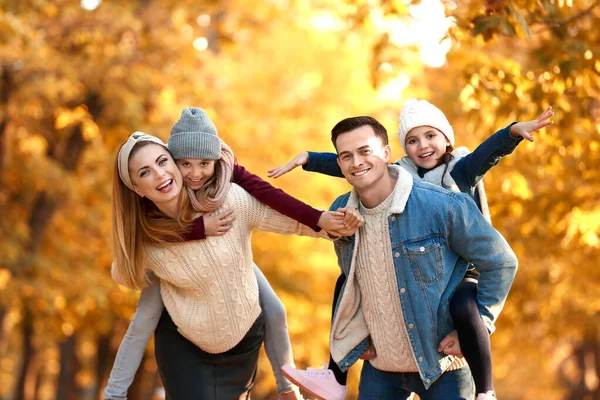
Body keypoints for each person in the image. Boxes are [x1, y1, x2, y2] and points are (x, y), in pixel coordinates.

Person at [272, 101, 552, 400]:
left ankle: (487, 391)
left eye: (431, 136)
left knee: (464, 305)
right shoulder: (344, 209)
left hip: (444, 365)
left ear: (385, 154)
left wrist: (512, 133)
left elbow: (500, 258)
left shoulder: (453, 186)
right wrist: (307, 160)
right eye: (413, 140)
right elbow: (336, 185)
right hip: (380, 370)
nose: (423, 146)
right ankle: (334, 374)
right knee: (344, 282)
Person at [105, 109, 361, 400]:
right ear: (136, 189)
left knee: (274, 307)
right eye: (144, 172)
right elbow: (123, 272)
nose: (160, 174)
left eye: (162, 162)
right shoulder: (147, 240)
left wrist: (332, 224)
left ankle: (287, 389)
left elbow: (281, 213)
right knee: (147, 311)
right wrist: (177, 240)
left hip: (242, 337)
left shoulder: (228, 201)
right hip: (183, 343)